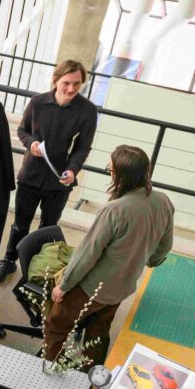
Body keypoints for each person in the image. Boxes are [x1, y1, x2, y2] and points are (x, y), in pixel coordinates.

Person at [44, 145, 173, 366]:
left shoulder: (114, 210)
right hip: (123, 286)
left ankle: (45, 371)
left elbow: (86, 256)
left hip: (91, 289)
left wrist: (63, 286)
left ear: (121, 175)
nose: (109, 172)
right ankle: (91, 378)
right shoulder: (163, 202)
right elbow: (164, 247)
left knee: (56, 323)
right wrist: (149, 259)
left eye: (110, 169)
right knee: (98, 331)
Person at [0, 60, 98, 282]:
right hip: (31, 174)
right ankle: (9, 260)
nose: (71, 89)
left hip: (60, 180)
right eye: (66, 83)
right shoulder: (37, 102)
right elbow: (22, 130)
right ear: (55, 80)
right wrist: (30, 143)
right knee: (21, 223)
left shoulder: (87, 110)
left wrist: (73, 170)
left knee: (48, 227)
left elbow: (83, 147)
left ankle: (36, 268)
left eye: (77, 84)